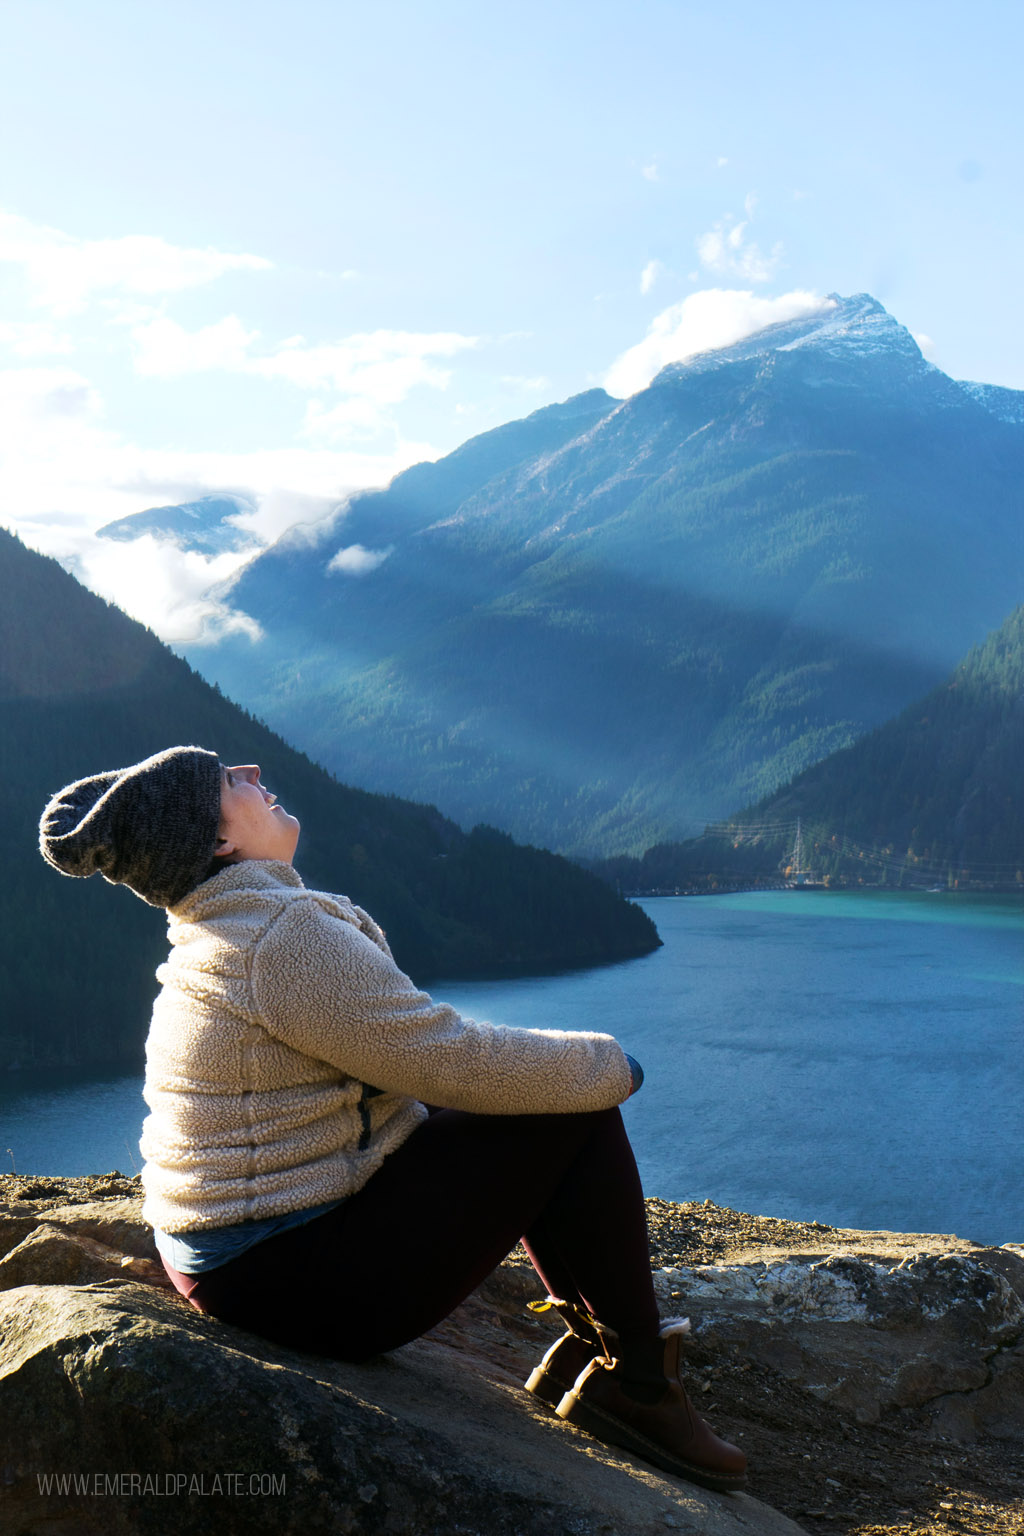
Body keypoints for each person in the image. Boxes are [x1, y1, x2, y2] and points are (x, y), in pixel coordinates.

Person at [38, 745, 746, 1493]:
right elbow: (444, 1059)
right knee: (572, 1105)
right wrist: (611, 1067)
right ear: (220, 842)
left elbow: (405, 1055)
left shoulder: (229, 925)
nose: (249, 772)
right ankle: (635, 1381)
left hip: (235, 1260)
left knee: (543, 1100)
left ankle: (598, 1358)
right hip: (285, 1277)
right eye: (227, 780)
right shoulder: (277, 935)